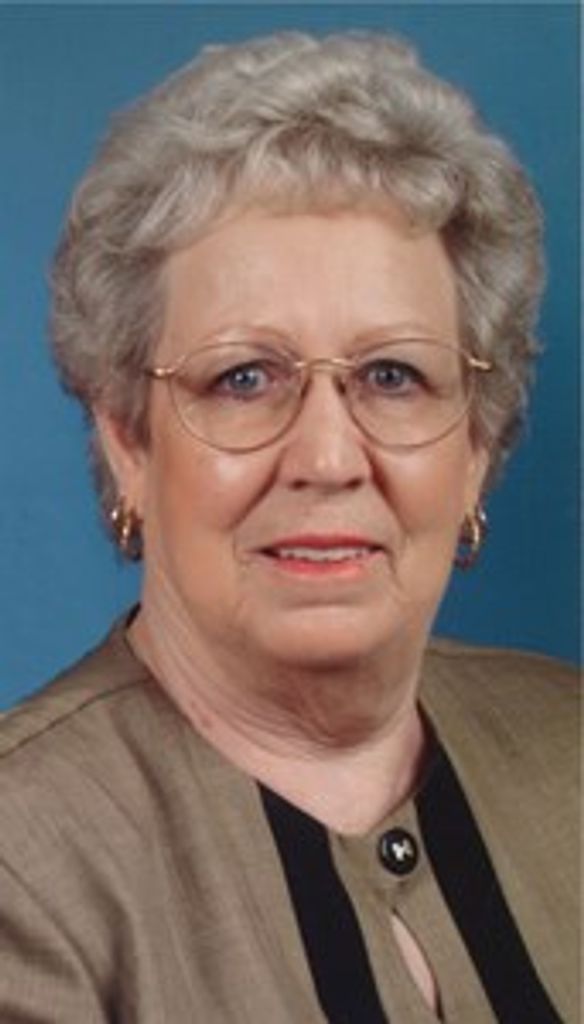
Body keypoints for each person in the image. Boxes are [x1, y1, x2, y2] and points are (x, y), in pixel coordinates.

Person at [0, 29, 578, 1024]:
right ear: (128, 439)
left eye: (392, 375)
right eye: (244, 378)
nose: (326, 457)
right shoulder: (23, 866)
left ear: (476, 444)